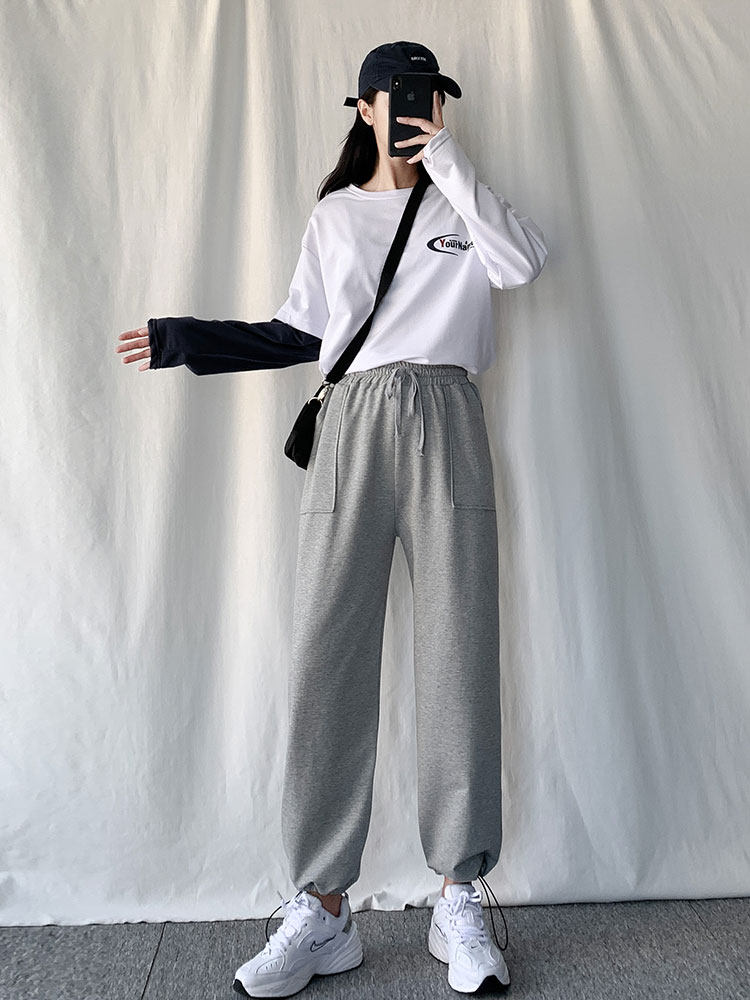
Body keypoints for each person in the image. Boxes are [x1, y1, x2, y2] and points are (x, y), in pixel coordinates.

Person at [116, 39, 547, 998]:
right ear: (361, 108)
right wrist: (186, 339)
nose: (413, 109)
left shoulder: (466, 205)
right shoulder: (336, 214)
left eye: (428, 97)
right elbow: (299, 332)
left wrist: (449, 162)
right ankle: (322, 908)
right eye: (396, 97)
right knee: (327, 653)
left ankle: (459, 893)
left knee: (459, 648)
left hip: (447, 413)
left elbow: (521, 265)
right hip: (353, 423)